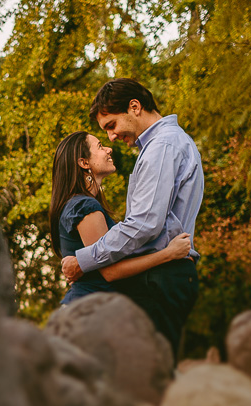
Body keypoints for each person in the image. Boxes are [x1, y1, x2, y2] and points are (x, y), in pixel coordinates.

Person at [60, 78, 204, 359]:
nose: (112, 138)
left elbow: (144, 223)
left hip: (159, 281)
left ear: (134, 107)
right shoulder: (167, 144)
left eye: (111, 126)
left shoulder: (162, 146)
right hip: (164, 277)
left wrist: (85, 259)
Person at [50, 130, 191, 306]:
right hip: (90, 312)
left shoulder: (78, 205)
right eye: (100, 146)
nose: (109, 149)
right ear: (84, 162)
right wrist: (169, 254)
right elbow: (111, 272)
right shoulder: (84, 207)